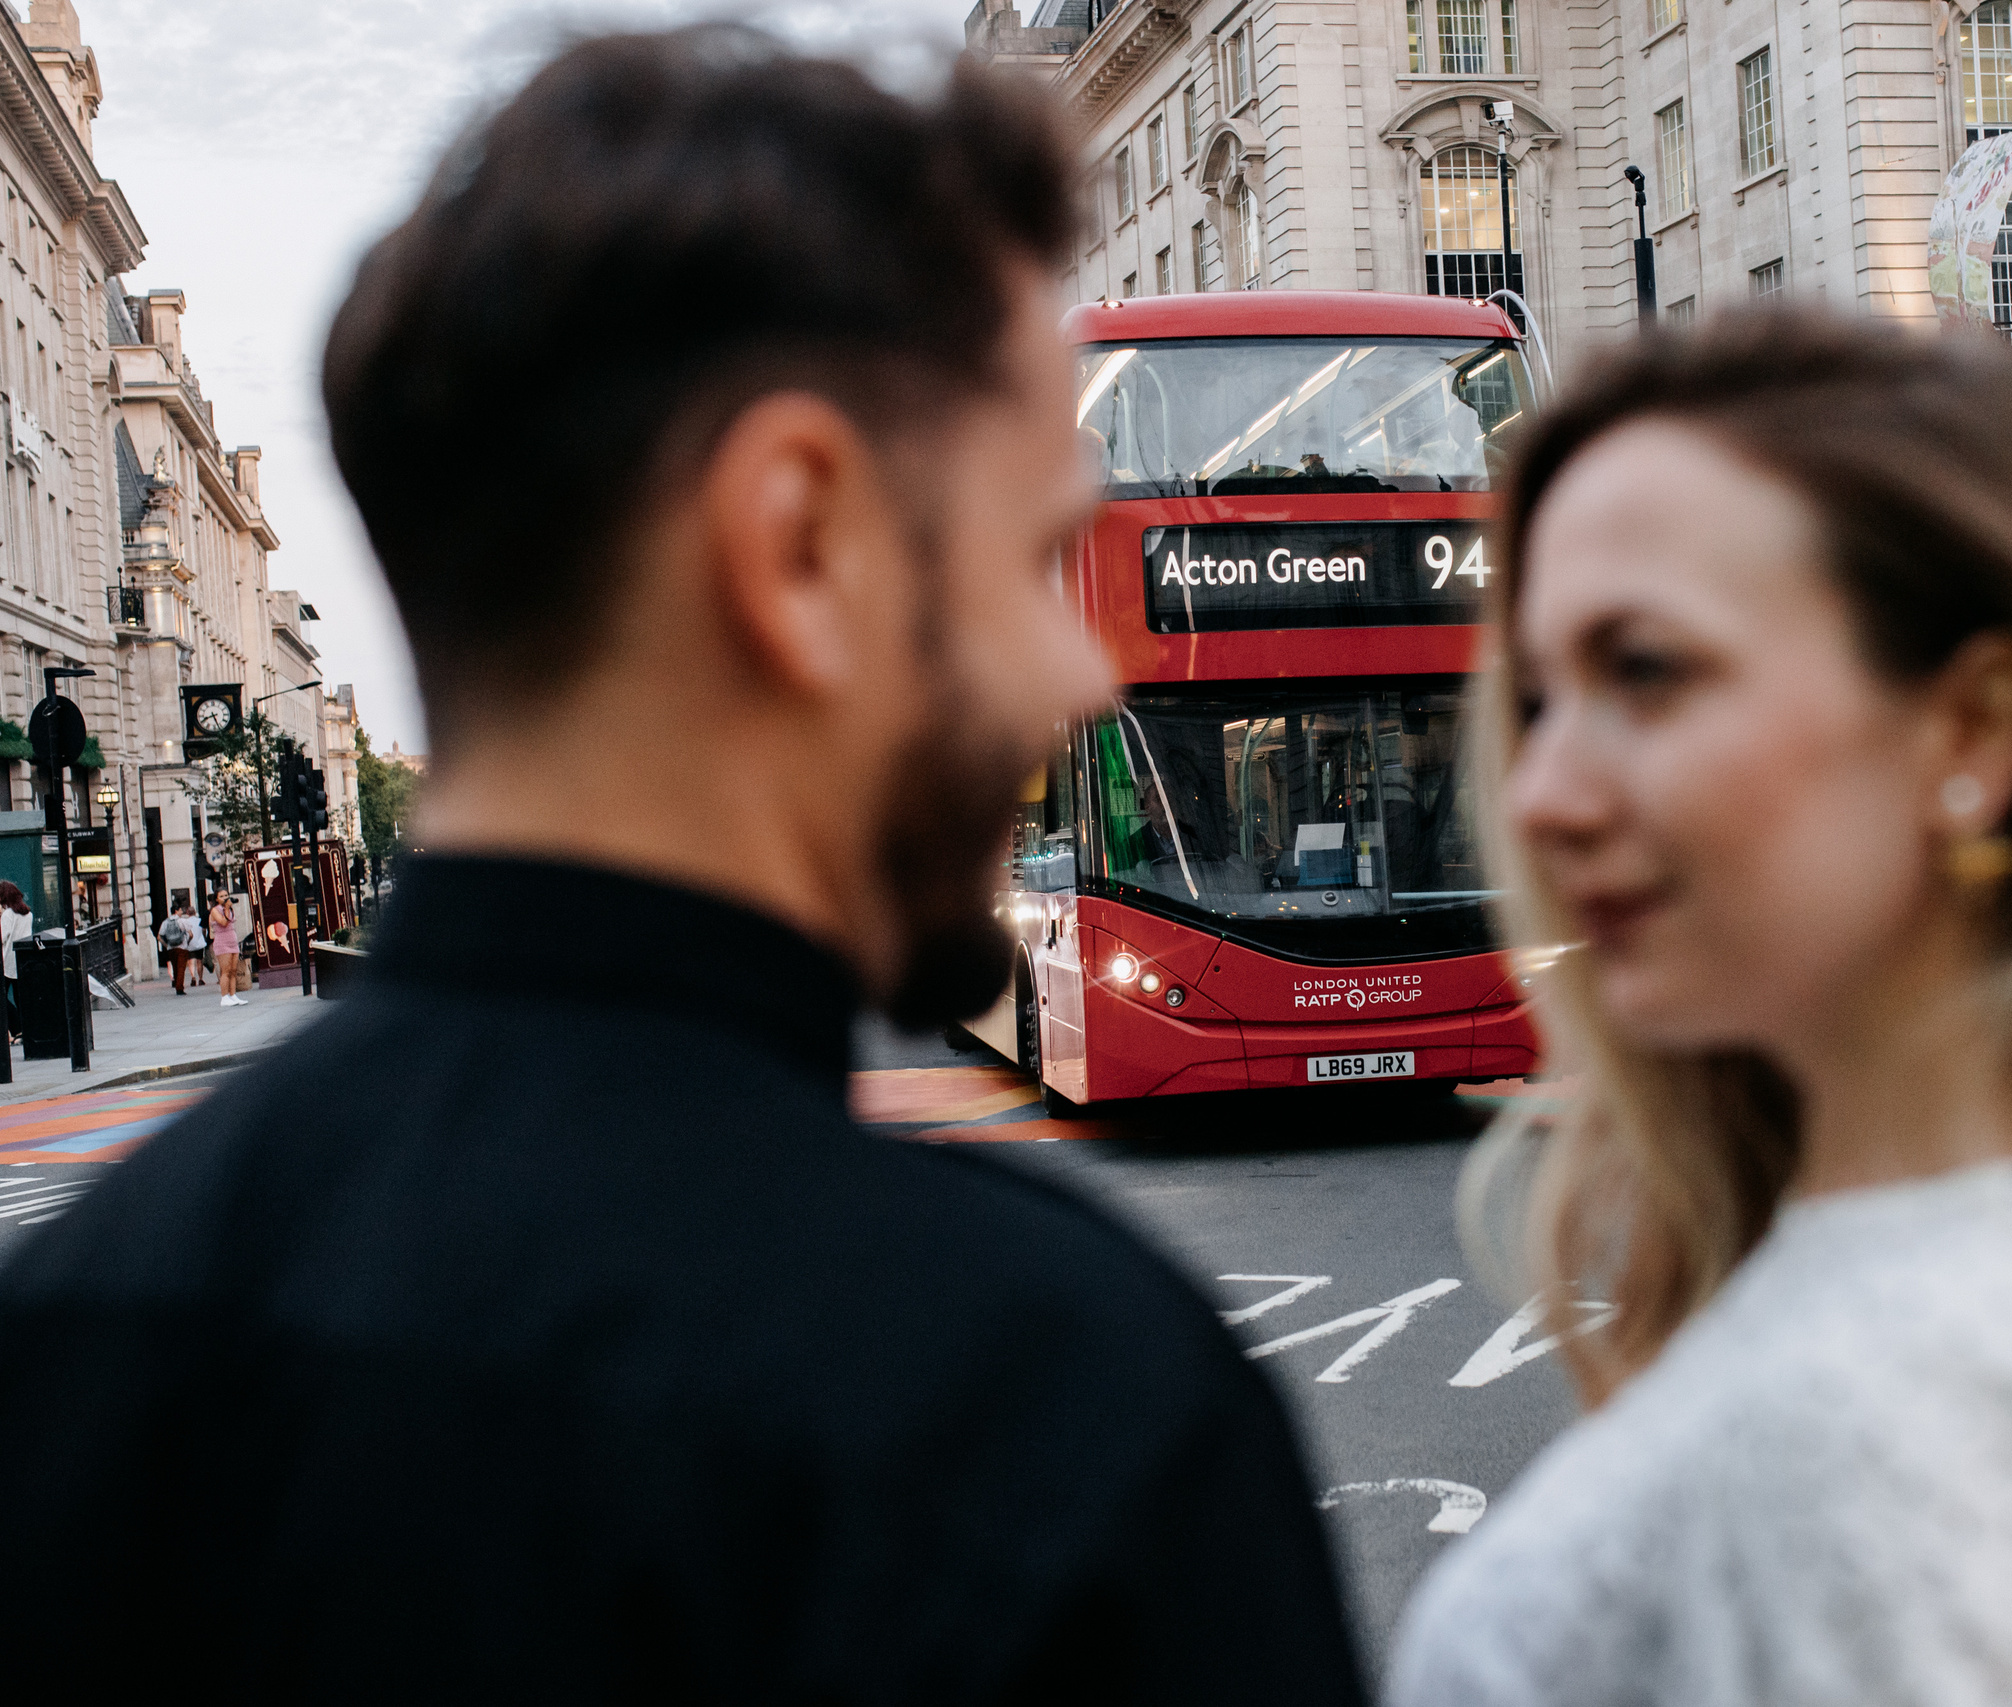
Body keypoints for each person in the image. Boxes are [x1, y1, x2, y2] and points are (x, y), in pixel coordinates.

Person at [0, 31, 1362, 1704]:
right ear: (799, 542)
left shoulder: (63, 1348)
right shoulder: (1057, 1406)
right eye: (1027, 556)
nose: (1075, 674)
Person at [1391, 308, 2012, 1707]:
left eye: (1645, 670)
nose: (1542, 794)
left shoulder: (1869, 1434)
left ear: (1974, 727)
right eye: (1538, 698)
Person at [0, 880, 28, 1043]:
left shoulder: (8, 915)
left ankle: (17, 1029)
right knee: (20, 998)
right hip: (22, 960)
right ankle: (24, 1030)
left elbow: (2, 936)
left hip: (7, 962)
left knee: (2, 998)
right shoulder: (27, 914)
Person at [207, 891, 245, 1006]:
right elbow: (223, 922)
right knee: (226, 970)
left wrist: (229, 908)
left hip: (232, 941)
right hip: (222, 942)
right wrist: (227, 909)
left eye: (226, 895)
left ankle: (233, 995)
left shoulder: (230, 909)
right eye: (221, 896)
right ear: (217, 899)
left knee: (233, 970)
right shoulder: (215, 910)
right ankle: (224, 997)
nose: (224, 898)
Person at [156, 895, 197, 996]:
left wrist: (166, 945)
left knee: (175, 967)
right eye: (180, 910)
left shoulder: (166, 922)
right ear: (176, 910)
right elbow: (191, 934)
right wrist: (188, 941)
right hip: (182, 947)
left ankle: (176, 981)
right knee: (181, 967)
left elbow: (159, 936)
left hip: (171, 948)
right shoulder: (182, 921)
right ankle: (179, 988)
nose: (182, 911)